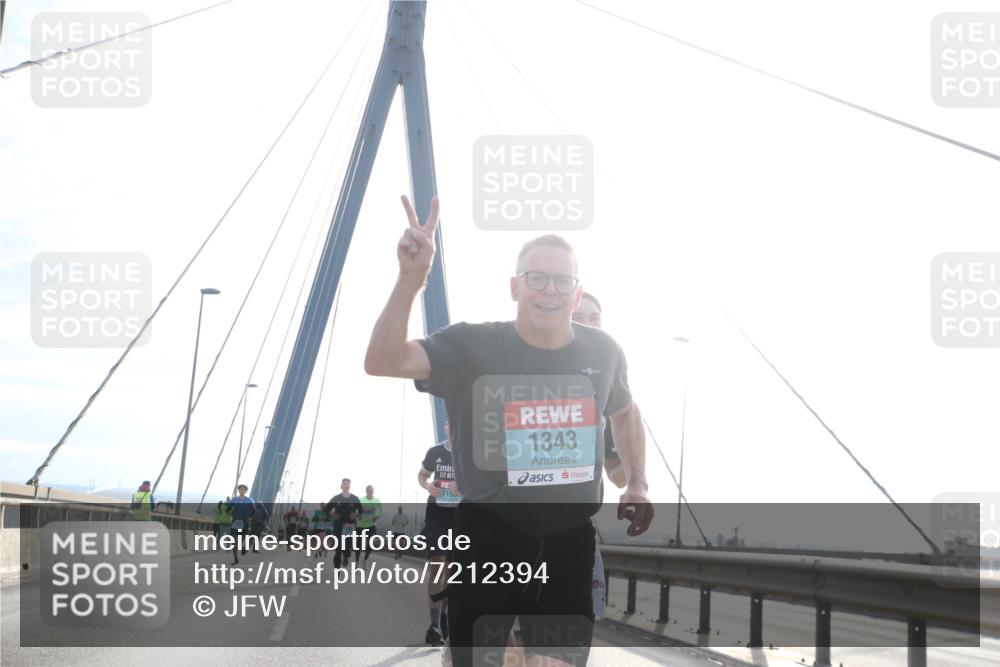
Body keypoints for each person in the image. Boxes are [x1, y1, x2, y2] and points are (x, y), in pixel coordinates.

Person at [364, 196, 653, 667]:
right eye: (537, 278)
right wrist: (411, 280)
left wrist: (638, 481)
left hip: (568, 545)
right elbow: (381, 360)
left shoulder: (604, 352)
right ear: (515, 286)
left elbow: (624, 410)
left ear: (577, 295)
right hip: (488, 538)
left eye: (563, 281)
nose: (550, 291)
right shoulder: (471, 344)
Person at [417, 421, 460, 646]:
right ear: (446, 427)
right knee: (437, 564)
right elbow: (422, 475)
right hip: (437, 515)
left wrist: (464, 489)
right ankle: (433, 624)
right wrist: (428, 487)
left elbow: (483, 484)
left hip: (462, 516)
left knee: (453, 571)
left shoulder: (470, 454)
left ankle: (444, 618)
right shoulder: (435, 452)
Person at [323, 478, 362, 569]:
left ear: (350, 486)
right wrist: (332, 514)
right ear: (341, 486)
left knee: (346, 548)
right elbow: (326, 509)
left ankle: (346, 557)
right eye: (344, 484)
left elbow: (361, 511)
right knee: (338, 550)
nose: (346, 485)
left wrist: (355, 515)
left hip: (349, 527)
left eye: (347, 484)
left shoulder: (354, 498)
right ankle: (337, 571)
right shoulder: (336, 498)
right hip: (338, 526)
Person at [227, 484, 257, 566]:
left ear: (246, 491)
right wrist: (231, 513)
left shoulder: (249, 500)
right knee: (234, 542)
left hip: (245, 522)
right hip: (235, 522)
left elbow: (254, 511)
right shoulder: (234, 500)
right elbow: (228, 509)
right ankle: (236, 559)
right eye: (240, 489)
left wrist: (248, 516)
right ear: (238, 490)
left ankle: (245, 548)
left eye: (243, 489)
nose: (242, 491)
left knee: (243, 539)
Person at [356, 485, 382, 565]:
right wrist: (358, 516)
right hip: (360, 525)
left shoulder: (377, 501)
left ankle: (365, 560)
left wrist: (376, 517)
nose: (369, 492)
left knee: (371, 544)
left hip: (371, 525)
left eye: (371, 490)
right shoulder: (361, 500)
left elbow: (380, 511)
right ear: (366, 491)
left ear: (373, 492)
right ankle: (357, 562)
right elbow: (357, 511)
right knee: (359, 544)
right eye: (368, 490)